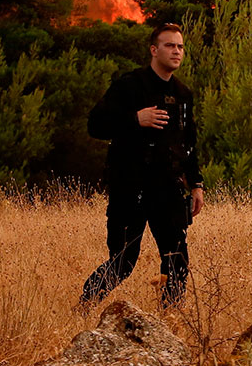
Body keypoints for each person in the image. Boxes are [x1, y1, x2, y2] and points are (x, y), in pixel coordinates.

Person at [80, 22, 205, 309]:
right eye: (170, 45)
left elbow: (189, 143)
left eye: (180, 46)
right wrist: (135, 120)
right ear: (153, 49)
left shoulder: (183, 94)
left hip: (168, 189)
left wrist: (196, 183)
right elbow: (95, 124)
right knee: (123, 259)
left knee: (177, 258)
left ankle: (170, 318)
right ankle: (85, 306)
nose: (176, 51)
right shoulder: (129, 86)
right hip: (130, 187)